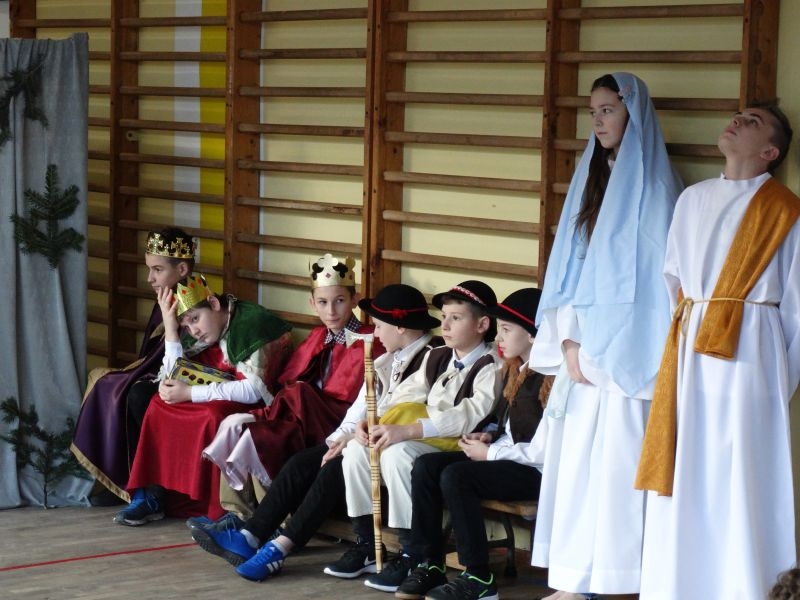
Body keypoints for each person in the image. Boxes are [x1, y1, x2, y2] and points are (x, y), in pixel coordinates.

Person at [635, 104, 800, 599]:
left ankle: (743, 586)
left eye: (753, 122)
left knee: (742, 466)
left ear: (770, 152)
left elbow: (796, 303)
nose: (737, 121)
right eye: (738, 115)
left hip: (752, 349)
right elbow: (673, 280)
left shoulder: (785, 209)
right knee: (687, 463)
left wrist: (779, 380)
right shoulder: (693, 198)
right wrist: (691, 329)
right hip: (690, 343)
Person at [529, 72, 682, 599]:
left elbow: (653, 286)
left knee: (618, 470)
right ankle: (576, 580)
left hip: (627, 357)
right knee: (577, 470)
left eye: (609, 110)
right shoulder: (590, 181)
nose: (598, 121)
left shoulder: (658, 191)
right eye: (593, 111)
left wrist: (604, 347)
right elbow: (571, 270)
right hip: (584, 351)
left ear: (633, 114)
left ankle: (618, 580)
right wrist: (569, 340)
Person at [189, 283, 441, 583]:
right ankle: (251, 535)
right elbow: (359, 409)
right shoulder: (387, 358)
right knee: (303, 462)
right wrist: (337, 440)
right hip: (367, 440)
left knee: (333, 469)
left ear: (399, 327)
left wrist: (354, 440)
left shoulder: (434, 358)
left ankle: (282, 546)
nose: (375, 331)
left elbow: (432, 414)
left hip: (405, 444)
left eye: (379, 324)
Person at [328, 280, 503, 594]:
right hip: (425, 439)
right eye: (444, 317)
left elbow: (469, 414)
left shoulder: (491, 366)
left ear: (482, 325)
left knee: (399, 453)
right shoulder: (437, 355)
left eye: (455, 318)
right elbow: (403, 395)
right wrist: (371, 423)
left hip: (460, 445)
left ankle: (413, 552)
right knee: (356, 450)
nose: (444, 325)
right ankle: (366, 540)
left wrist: (408, 430)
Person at [392, 288, 550, 600]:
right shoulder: (516, 369)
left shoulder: (552, 379)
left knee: (458, 476)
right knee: (426, 466)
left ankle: (479, 576)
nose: (498, 337)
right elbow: (512, 427)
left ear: (533, 335)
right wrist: (490, 436)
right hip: (511, 457)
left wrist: (491, 452)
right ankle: (430, 562)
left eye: (506, 329)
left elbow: (545, 450)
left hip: (537, 471)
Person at [200, 253, 384, 518]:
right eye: (323, 302)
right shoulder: (317, 337)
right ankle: (238, 515)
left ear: (354, 300)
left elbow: (360, 400)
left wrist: (297, 398)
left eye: (340, 301)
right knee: (238, 426)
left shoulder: (369, 341)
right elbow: (286, 384)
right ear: (312, 303)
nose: (331, 311)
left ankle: (273, 521)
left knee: (270, 428)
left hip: (335, 422)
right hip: (298, 418)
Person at [114, 273, 293, 525]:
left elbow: (255, 390)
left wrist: (190, 393)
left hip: (254, 404)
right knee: (156, 403)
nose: (194, 331)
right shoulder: (200, 331)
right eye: (186, 325)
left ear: (214, 304)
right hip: (217, 390)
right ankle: (158, 495)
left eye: (195, 319)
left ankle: (215, 506)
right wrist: (172, 331)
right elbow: (172, 371)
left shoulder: (253, 323)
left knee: (212, 416)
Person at [71, 227, 196, 503]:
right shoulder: (168, 293)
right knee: (105, 382)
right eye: (149, 269)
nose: (150, 278)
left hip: (187, 379)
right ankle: (127, 482)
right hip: (161, 371)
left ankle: (152, 490)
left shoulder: (194, 303)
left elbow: (189, 360)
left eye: (157, 270)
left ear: (182, 269)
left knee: (135, 394)